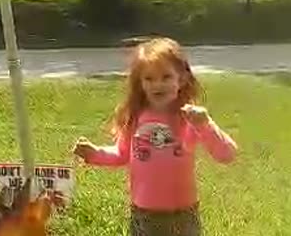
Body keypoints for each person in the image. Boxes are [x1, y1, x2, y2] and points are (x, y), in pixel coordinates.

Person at [73, 37, 238, 236]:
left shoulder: (189, 117)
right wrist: (95, 153)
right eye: (149, 79)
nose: (157, 85)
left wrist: (205, 124)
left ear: (182, 79)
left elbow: (227, 155)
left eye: (166, 77)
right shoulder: (135, 117)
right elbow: (121, 154)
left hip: (182, 213)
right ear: (140, 83)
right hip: (144, 213)